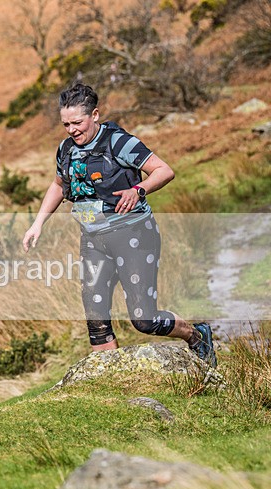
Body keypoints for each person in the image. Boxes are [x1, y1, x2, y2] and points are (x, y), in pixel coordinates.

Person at [22, 83, 215, 365]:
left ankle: (196, 334)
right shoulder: (65, 150)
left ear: (95, 115)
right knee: (96, 320)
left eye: (77, 122)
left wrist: (138, 190)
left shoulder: (118, 142)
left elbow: (164, 170)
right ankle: (112, 389)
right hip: (93, 240)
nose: (72, 130)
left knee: (144, 320)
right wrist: (38, 223)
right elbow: (58, 185)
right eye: (66, 124)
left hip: (134, 234)